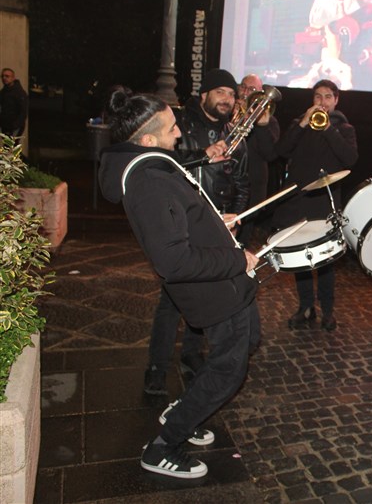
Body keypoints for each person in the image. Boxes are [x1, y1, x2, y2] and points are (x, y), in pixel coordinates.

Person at [98, 89, 260, 478]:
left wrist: (213, 223)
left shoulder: (152, 166)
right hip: (215, 289)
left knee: (247, 342)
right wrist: (238, 258)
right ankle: (163, 446)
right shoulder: (149, 182)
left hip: (227, 284)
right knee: (228, 370)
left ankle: (186, 410)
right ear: (149, 139)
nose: (179, 135)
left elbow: (180, 217)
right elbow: (173, 261)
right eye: (172, 129)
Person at [144, 68, 249, 395]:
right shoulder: (178, 127)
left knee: (207, 296)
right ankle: (156, 368)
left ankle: (191, 355)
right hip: (183, 225)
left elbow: (242, 181)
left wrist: (239, 213)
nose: (227, 99)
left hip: (219, 227)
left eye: (231, 94)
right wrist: (202, 155)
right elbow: (162, 165)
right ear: (203, 95)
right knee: (171, 301)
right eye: (220, 92)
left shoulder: (235, 134)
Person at [271, 79, 357, 332]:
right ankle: (305, 306)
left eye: (328, 97)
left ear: (336, 100)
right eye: (318, 97)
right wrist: (300, 124)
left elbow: (350, 158)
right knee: (302, 259)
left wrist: (329, 129)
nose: (322, 102)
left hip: (325, 202)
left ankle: (328, 311)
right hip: (299, 202)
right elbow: (281, 150)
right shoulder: (301, 124)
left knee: (326, 261)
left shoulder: (345, 128)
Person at [236, 73, 281, 248]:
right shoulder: (228, 112)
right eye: (243, 87)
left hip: (251, 188)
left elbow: (270, 154)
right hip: (227, 185)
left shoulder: (270, 121)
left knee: (241, 240)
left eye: (252, 89)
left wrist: (261, 126)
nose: (246, 92)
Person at [0, 68, 29, 137]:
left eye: (7, 76)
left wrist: (15, 125)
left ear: (13, 78)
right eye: (2, 76)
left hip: (15, 127)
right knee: (7, 146)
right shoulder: (3, 92)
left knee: (11, 146)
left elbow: (23, 111)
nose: (4, 78)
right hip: (5, 126)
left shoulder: (19, 93)